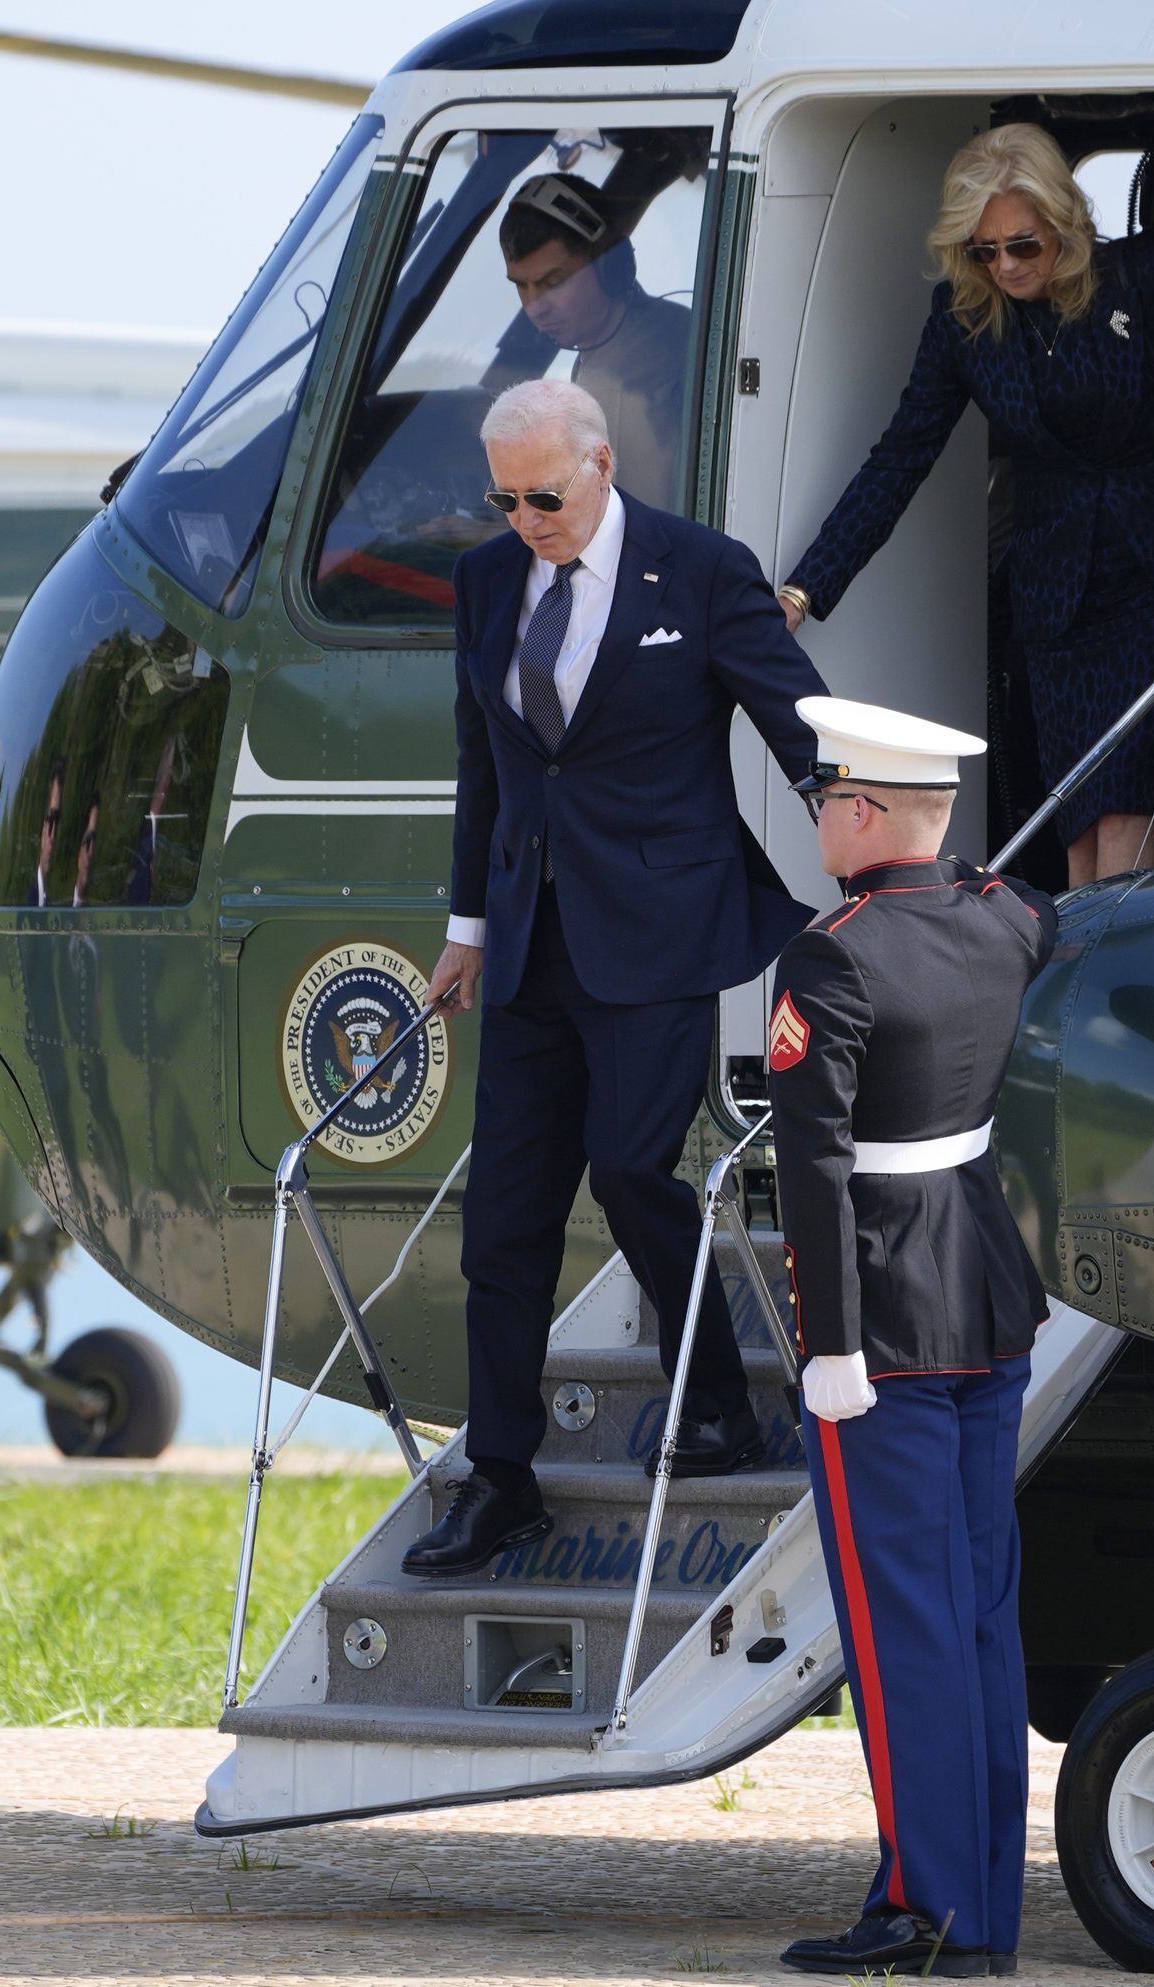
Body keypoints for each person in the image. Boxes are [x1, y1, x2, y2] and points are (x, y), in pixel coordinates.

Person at [404, 377, 828, 1577]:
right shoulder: (488, 580)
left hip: (658, 926)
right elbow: (485, 767)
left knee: (633, 1166)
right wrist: (468, 926)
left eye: (543, 497)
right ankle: (499, 1477)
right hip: (529, 939)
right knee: (504, 1218)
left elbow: (797, 724)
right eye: (505, 500)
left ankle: (717, 1403)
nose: (525, 520)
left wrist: (879, 854)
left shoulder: (700, 570)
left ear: (600, 465)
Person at [766, 697, 1056, 1980]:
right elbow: (1035, 916)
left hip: (882, 1315)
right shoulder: (1007, 916)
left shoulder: (831, 957)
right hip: (984, 1287)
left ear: (867, 811)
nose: (819, 819)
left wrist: (828, 1344)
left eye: (828, 799)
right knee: (979, 1609)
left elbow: (814, 1167)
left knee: (902, 1625)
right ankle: (980, 1906)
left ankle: (928, 1906)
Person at [776, 124, 1154, 888]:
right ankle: (1082, 960)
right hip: (1057, 600)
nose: (1005, 265)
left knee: (1126, 805)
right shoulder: (964, 319)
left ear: (1063, 223)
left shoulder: (1148, 278)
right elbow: (901, 456)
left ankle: (1105, 962)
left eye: (1023, 245)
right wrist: (803, 589)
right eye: (984, 250)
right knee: (1078, 816)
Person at [491, 173, 698, 510]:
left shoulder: (617, 389)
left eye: (554, 283)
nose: (534, 307)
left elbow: (630, 524)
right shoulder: (666, 324)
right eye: (521, 286)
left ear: (611, 267)